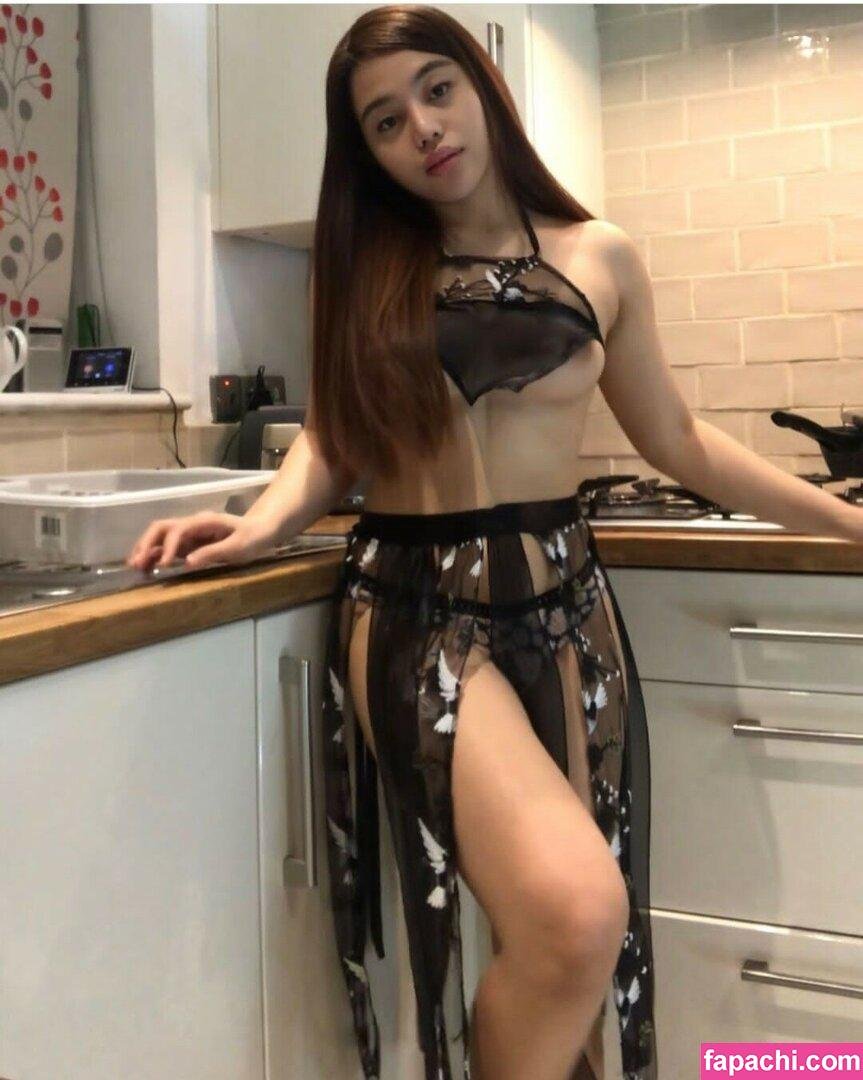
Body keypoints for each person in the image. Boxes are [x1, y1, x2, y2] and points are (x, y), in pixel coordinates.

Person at [126, 7, 863, 1079]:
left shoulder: (599, 254)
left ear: (483, 82)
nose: (422, 128)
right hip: (413, 605)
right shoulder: (363, 265)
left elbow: (677, 439)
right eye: (385, 121)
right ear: (368, 152)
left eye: (436, 89)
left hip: (565, 601)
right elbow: (331, 438)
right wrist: (257, 525)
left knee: (567, 938)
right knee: (575, 913)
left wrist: (846, 523)